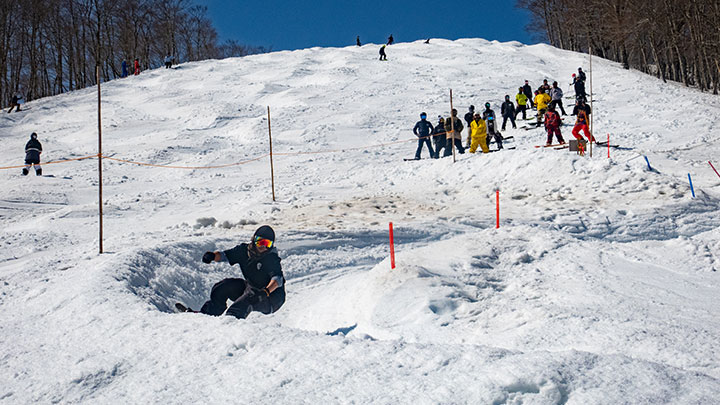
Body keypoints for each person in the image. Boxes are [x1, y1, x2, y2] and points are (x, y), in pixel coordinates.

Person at [195, 225, 286, 319]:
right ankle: (207, 315)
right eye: (260, 242)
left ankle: (229, 324)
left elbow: (277, 279)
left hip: (271, 298)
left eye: (267, 243)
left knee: (245, 302)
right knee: (223, 286)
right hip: (251, 288)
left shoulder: (271, 258)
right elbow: (225, 255)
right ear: (254, 240)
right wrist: (212, 256)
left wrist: (265, 292)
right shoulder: (243, 250)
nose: (263, 246)